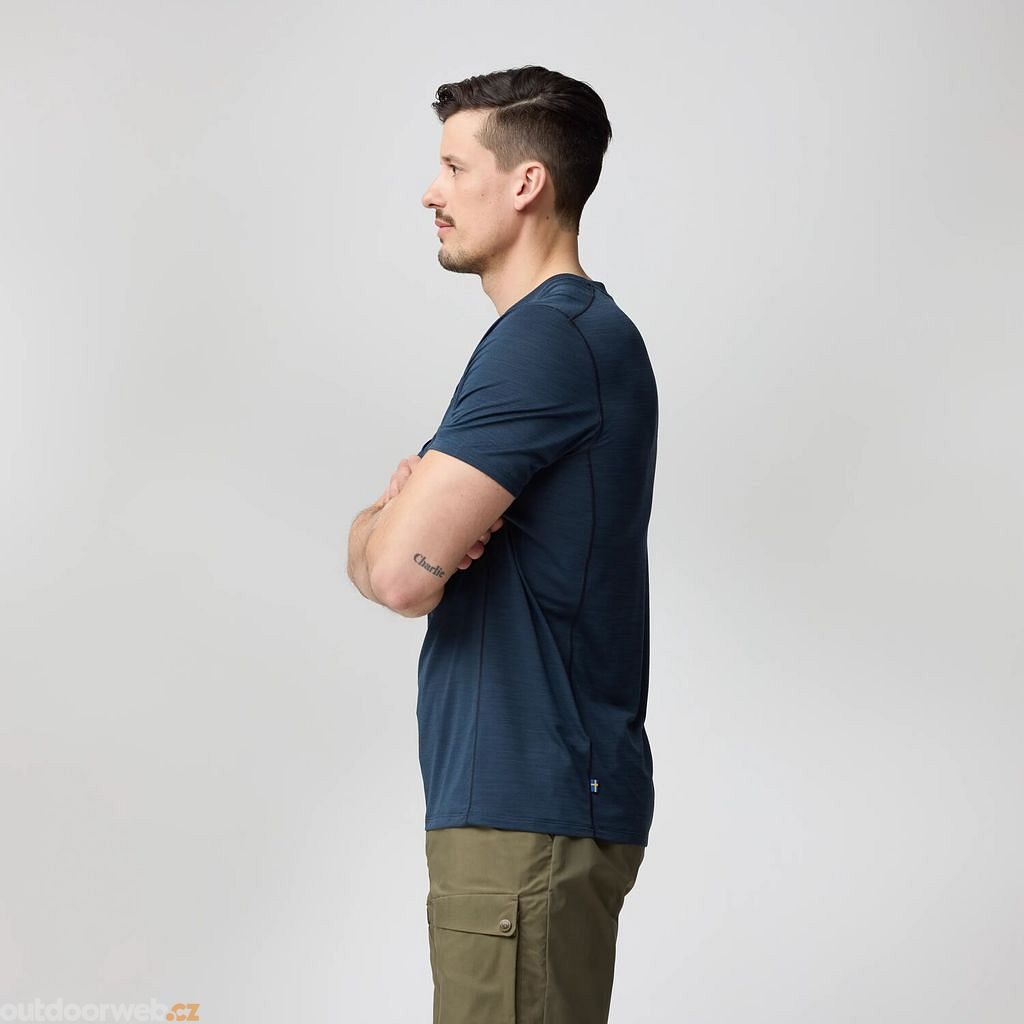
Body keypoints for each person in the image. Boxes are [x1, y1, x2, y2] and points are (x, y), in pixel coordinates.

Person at [346, 65, 658, 1024]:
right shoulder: (566, 337)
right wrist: (391, 526)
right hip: (524, 813)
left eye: (454, 167)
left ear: (526, 183)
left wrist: (381, 524)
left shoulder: (547, 342)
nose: (430, 193)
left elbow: (397, 574)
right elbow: (399, 556)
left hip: (526, 819)